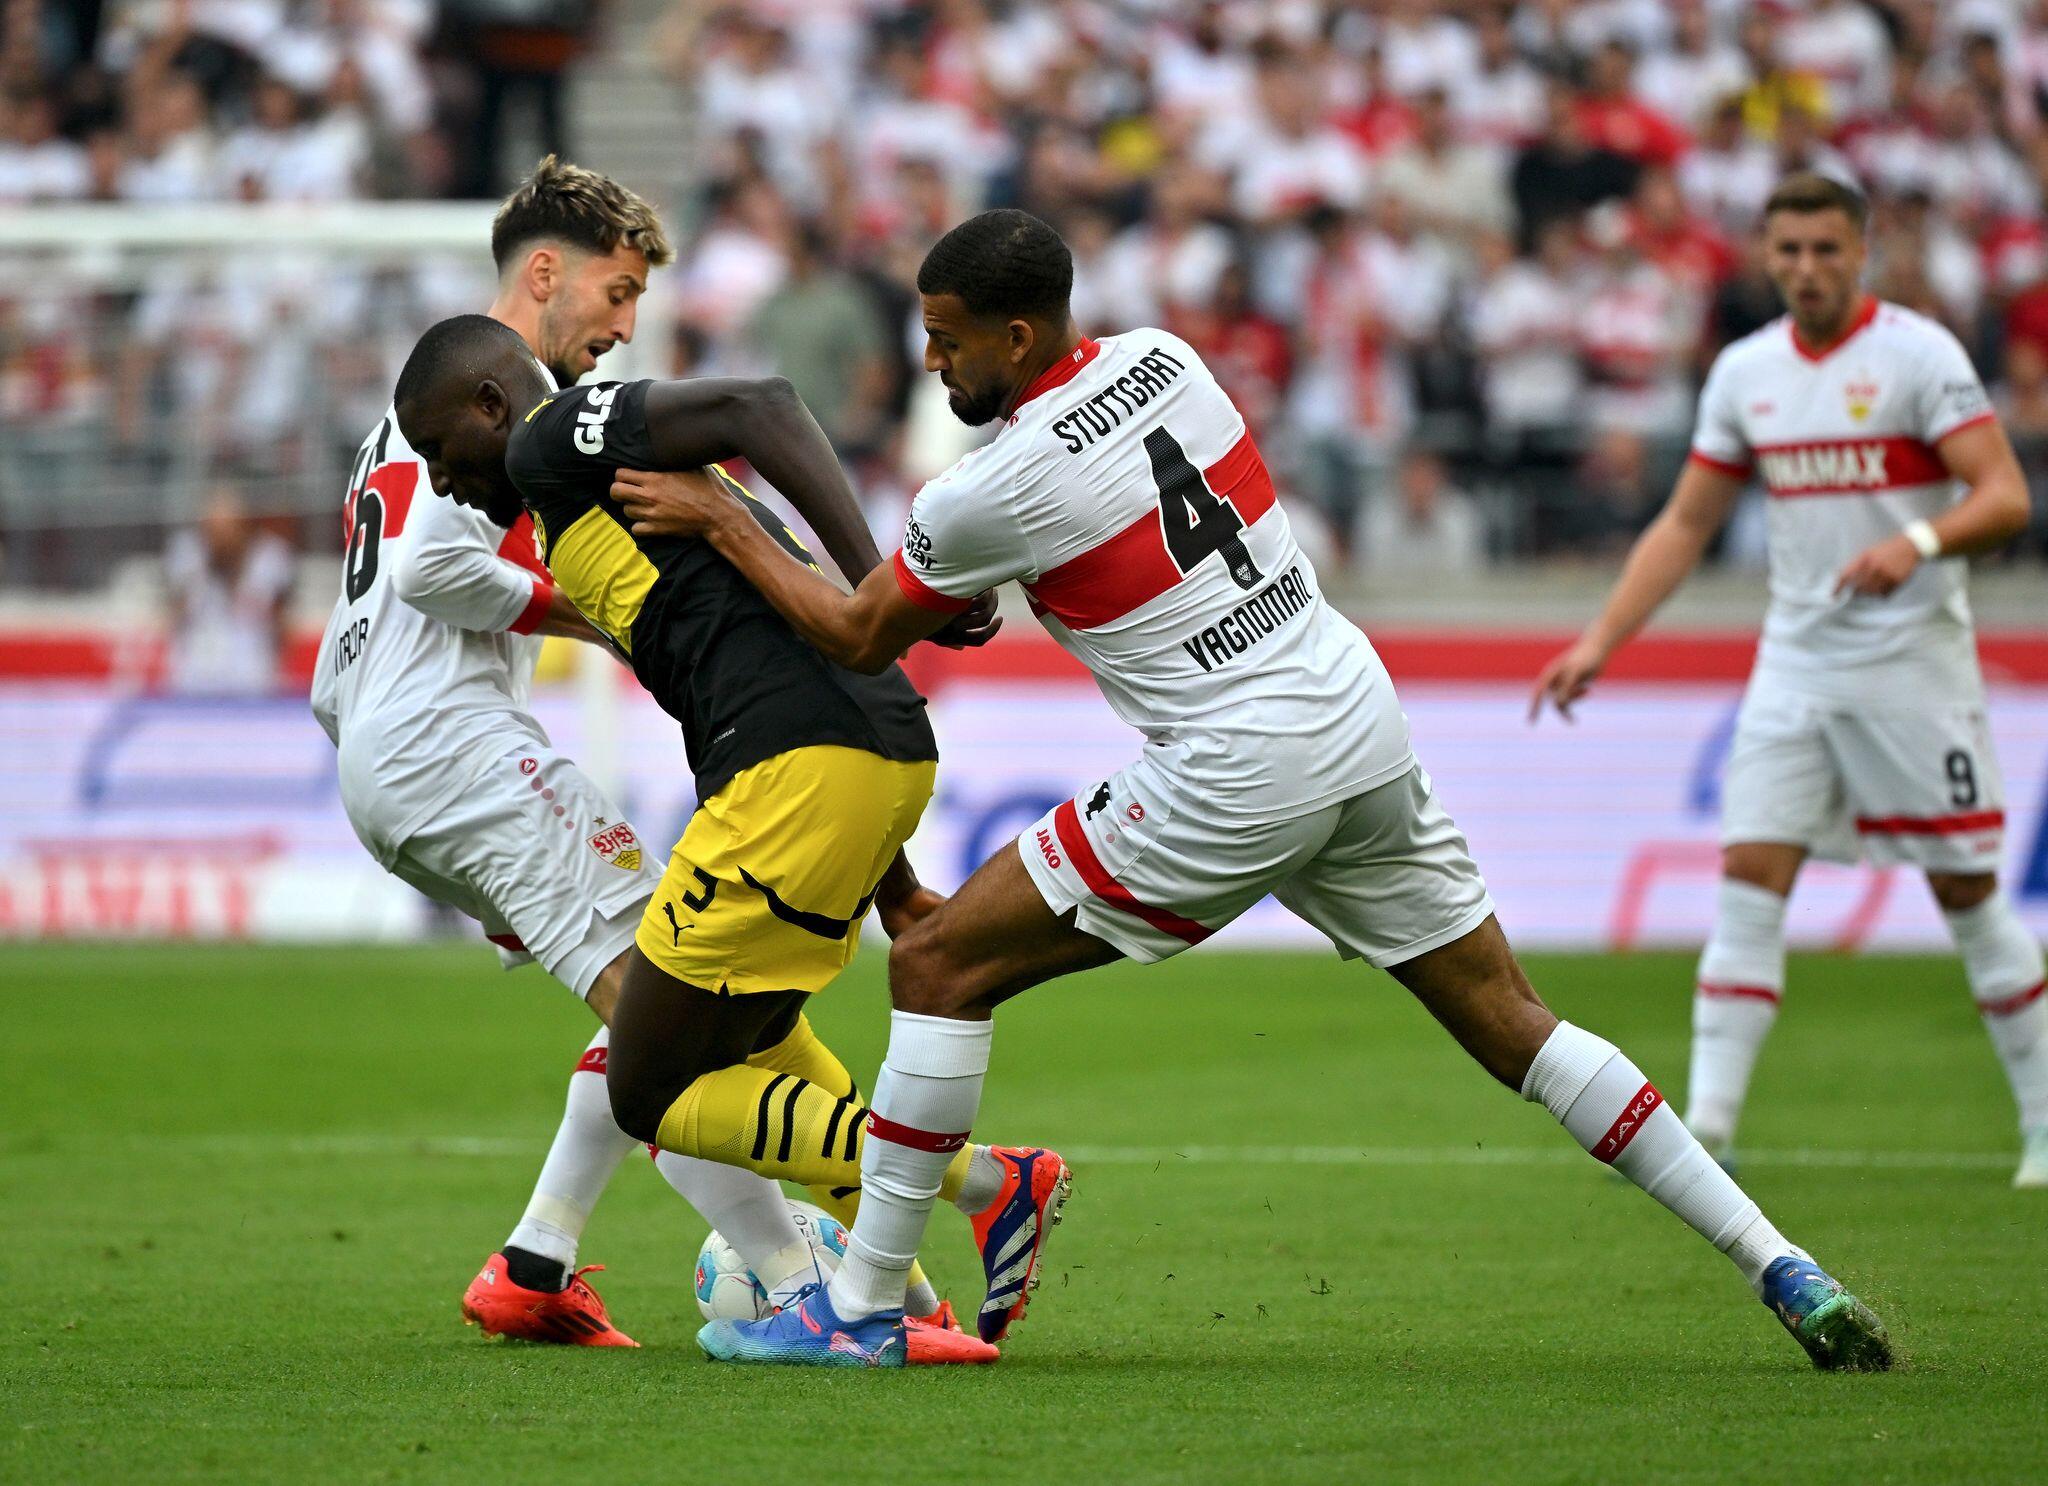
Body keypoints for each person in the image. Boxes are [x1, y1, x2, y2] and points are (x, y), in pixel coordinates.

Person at [611, 208, 1893, 1373]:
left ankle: (860, 1309)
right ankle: (1782, 1265)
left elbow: (855, 632)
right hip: (1351, 710)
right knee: (1516, 1020)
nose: (931, 361)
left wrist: (723, 519)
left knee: (940, 963)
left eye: (948, 340)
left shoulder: (987, 485)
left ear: (1017, 334)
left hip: (1236, 762)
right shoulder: (1166, 358)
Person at [310, 157, 966, 1359]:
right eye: (614, 294)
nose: (621, 327)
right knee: (670, 1027)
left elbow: (344, 656)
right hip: (455, 745)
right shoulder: (493, 416)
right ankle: (809, 1283)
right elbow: (430, 569)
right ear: (542, 275)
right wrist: (605, 613)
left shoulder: (406, 419)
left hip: (386, 747)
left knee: (656, 1003)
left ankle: (536, 1258)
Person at [1532, 172, 2046, 1189]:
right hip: (1795, 665)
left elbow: (2004, 496)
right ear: (1765, 257)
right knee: (1748, 879)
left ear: (1860, 253)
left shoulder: (1917, 355)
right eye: (1788, 251)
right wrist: (1599, 640)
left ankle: (2042, 1122)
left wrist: (1915, 541)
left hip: (1911, 662)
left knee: (1964, 889)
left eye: (1824, 249)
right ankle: (1710, 1131)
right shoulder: (1745, 371)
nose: (1806, 269)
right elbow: (1687, 520)